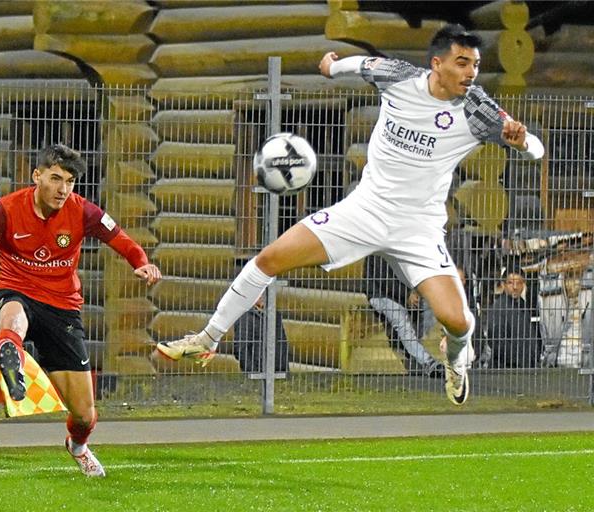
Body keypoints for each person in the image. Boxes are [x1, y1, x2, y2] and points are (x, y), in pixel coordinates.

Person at [157, 24, 544, 406]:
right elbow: (362, 64)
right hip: (365, 211)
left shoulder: (477, 108)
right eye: (462, 63)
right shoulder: (399, 78)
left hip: (419, 229)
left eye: (475, 65)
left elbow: (536, 149)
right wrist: (330, 68)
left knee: (458, 320)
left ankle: (458, 360)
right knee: (268, 259)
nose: (471, 73)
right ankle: (206, 340)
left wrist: (522, 142)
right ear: (437, 63)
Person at [0, 144, 161, 477]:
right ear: (36, 176)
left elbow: (122, 239)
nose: (63, 188)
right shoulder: (6, 210)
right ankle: (10, 354)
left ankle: (78, 446)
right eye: (55, 178)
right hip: (16, 292)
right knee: (13, 314)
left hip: (62, 309)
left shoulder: (83, 211)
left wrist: (142, 263)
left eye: (69, 181)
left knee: (85, 414)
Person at [365, 256, 443, 378]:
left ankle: (409, 347)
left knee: (430, 307)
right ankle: (429, 363)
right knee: (401, 319)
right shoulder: (380, 250)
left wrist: (416, 292)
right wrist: (407, 294)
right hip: (380, 294)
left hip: (401, 294)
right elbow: (385, 281)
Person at [484, 270, 541, 368]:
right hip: (506, 368)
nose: (515, 287)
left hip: (524, 366)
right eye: (510, 283)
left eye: (518, 283)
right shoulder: (499, 307)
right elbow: (497, 341)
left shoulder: (522, 305)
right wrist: (519, 362)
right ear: (503, 285)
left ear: (523, 285)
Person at [232, 296, 288, 373]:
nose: (262, 296)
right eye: (259, 293)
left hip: (278, 371)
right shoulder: (245, 317)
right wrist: (252, 373)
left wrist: (285, 370)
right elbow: (241, 348)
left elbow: (282, 343)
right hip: (258, 372)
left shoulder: (275, 315)